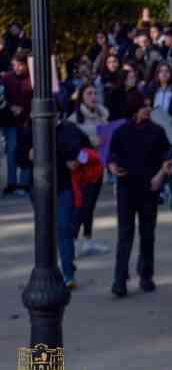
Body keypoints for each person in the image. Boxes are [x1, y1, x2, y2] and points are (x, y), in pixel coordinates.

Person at [108, 91, 170, 297]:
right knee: (124, 234)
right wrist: (113, 166)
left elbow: (166, 158)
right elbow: (111, 155)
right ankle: (119, 280)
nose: (147, 108)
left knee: (147, 234)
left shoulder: (158, 132)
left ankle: (146, 275)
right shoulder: (121, 131)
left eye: (149, 105)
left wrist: (160, 176)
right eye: (144, 105)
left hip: (149, 189)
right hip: (126, 188)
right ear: (134, 108)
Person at [67, 83, 110, 257]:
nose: (93, 96)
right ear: (81, 97)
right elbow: (70, 145)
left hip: (98, 167)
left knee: (90, 206)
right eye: (89, 93)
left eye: (94, 93)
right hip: (82, 170)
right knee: (81, 205)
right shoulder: (74, 119)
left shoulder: (102, 115)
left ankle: (88, 240)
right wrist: (93, 142)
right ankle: (73, 242)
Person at [55, 116, 92, 288]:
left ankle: (68, 273)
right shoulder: (32, 127)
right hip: (40, 188)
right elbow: (20, 155)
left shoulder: (69, 129)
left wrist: (78, 160)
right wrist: (28, 154)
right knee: (49, 231)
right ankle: (62, 268)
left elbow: (88, 148)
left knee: (63, 228)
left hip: (64, 186)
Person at [1, 52, 33, 196]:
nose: (17, 68)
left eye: (20, 65)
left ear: (26, 65)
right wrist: (10, 106)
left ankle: (24, 183)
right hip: (10, 121)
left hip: (28, 121)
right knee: (12, 150)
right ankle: (12, 183)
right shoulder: (7, 78)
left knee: (26, 150)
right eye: (15, 65)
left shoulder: (33, 79)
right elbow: (2, 97)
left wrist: (26, 111)